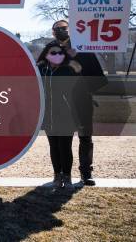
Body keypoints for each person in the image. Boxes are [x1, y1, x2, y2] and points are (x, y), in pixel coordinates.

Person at [38, 20, 108, 186]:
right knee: (60, 141)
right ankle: (61, 175)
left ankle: (86, 173)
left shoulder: (83, 48)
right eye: (58, 29)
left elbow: (99, 79)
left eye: (65, 28)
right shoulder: (49, 49)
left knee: (85, 137)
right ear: (53, 32)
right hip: (57, 104)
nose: (62, 31)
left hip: (81, 101)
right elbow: (39, 72)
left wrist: (84, 88)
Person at [38, 43, 81, 190]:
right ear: (46, 54)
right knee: (54, 147)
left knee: (65, 147)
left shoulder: (69, 69)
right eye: (53, 53)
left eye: (59, 53)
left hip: (66, 114)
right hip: (48, 115)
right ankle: (57, 177)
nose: (56, 56)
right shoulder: (41, 69)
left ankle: (67, 178)